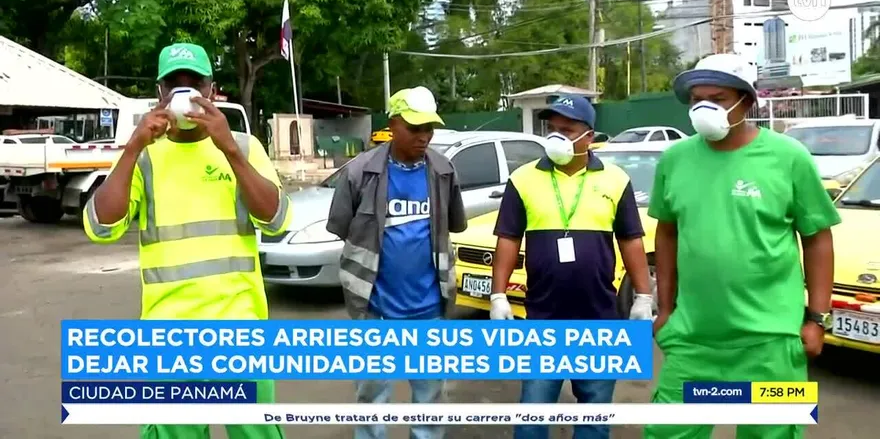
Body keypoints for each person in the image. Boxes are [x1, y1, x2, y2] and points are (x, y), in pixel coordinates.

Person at [82, 42, 293, 439]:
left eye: (193, 84)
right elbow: (101, 227)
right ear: (160, 95)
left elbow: (277, 221)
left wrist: (229, 149)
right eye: (173, 85)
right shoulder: (145, 156)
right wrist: (132, 147)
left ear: (211, 91)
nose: (184, 93)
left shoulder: (245, 148)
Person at [644, 54, 840, 439]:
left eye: (716, 98)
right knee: (668, 432)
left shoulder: (789, 158)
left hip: (771, 338)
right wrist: (665, 309)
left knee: (773, 434)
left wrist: (816, 319)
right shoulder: (675, 159)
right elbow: (666, 233)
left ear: (747, 102)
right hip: (693, 337)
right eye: (696, 99)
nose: (703, 109)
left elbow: (817, 238)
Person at [489, 95, 655, 439]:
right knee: (533, 416)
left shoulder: (615, 179)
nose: (556, 137)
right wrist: (498, 295)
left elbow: (631, 239)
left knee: (594, 418)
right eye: (553, 129)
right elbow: (508, 238)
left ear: (588, 136)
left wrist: (642, 295)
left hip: (599, 320)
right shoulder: (523, 179)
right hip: (543, 321)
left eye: (567, 130)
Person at [326, 86, 467, 439]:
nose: (424, 137)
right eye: (414, 128)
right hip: (376, 311)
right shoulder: (359, 172)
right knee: (372, 401)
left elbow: (452, 225)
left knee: (430, 402)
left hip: (429, 311)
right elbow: (346, 231)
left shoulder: (443, 171)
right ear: (392, 124)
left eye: (428, 129)